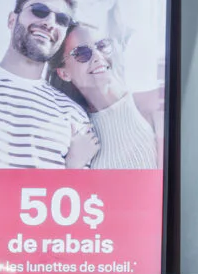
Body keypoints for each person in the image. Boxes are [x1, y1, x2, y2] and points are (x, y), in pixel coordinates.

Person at [0, 0, 93, 169]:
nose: (49, 23)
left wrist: (74, 166)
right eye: (39, 10)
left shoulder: (73, 115)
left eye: (62, 20)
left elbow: (78, 192)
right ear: (11, 20)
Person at [52, 20, 164, 170]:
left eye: (101, 46)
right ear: (64, 73)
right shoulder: (76, 134)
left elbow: (170, 185)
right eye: (82, 53)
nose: (98, 56)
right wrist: (73, 166)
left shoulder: (154, 103)